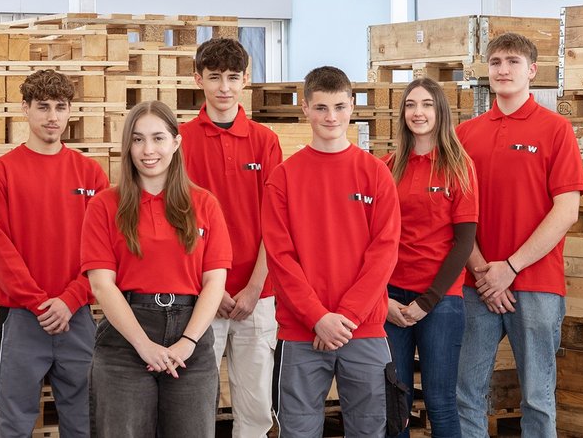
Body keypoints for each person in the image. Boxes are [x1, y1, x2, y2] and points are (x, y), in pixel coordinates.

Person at [454, 33, 583, 438]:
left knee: (538, 398)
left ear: (532, 71)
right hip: (478, 287)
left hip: (537, 284)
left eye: (512, 61)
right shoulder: (464, 135)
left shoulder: (556, 130)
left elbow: (566, 211)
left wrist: (510, 267)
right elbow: (454, 215)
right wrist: (483, 273)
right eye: (495, 62)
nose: (503, 69)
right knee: (467, 396)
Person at [262, 66, 401, 437]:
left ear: (352, 106)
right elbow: (280, 257)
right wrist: (317, 317)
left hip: (365, 330)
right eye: (321, 108)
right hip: (301, 333)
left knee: (371, 432)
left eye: (339, 106)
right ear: (305, 108)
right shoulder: (284, 177)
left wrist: (345, 317)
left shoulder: (375, 173)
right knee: (298, 432)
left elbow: (384, 252)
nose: (331, 117)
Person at [81, 101, 231, 437]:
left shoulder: (204, 204)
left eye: (158, 138)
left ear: (176, 143)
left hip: (191, 334)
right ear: (128, 146)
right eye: (137, 140)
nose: (148, 150)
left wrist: (188, 342)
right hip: (125, 337)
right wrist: (143, 345)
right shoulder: (104, 206)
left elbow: (214, 281)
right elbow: (103, 285)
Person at [0, 69, 108, 437]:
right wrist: (40, 304)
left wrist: (70, 300)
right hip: (22, 320)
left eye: (60, 107)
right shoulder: (1, 173)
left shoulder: (91, 174)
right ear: (25, 109)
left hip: (78, 317)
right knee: (13, 426)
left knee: (85, 424)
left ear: (70, 111)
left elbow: (104, 250)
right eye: (43, 107)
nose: (53, 116)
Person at [179, 37, 282, 438]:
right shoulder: (180, 140)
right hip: (201, 293)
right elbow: (178, 223)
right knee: (196, 404)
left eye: (233, 78)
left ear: (245, 80)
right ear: (197, 79)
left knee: (256, 407)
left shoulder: (265, 141)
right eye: (215, 77)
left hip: (258, 295)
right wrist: (211, 288)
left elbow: (275, 223)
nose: (224, 87)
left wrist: (256, 286)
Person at [382, 77, 478, 438]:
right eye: (410, 105)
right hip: (391, 300)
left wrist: (428, 300)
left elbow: (464, 243)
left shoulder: (459, 167)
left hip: (440, 302)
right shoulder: (388, 167)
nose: (417, 112)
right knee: (395, 402)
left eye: (426, 105)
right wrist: (383, 299)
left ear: (440, 112)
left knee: (440, 402)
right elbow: (375, 240)